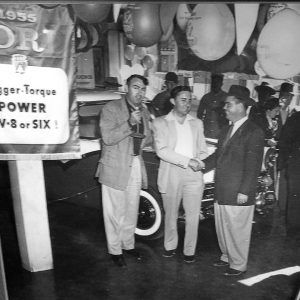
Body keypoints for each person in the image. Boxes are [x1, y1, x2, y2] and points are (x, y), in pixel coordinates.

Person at [203, 85, 265, 276]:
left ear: (241, 106)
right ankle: (226, 256)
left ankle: (238, 264)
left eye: (228, 104)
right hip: (222, 189)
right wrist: (201, 164)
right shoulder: (226, 130)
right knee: (222, 227)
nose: (225, 108)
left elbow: (253, 166)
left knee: (237, 229)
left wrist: (244, 191)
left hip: (239, 192)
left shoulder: (254, 131)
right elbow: (217, 156)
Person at [96, 74, 152, 267]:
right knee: (114, 211)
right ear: (126, 88)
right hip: (115, 165)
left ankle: (128, 245)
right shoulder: (111, 109)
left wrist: (150, 130)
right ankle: (115, 250)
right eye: (136, 87)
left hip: (136, 162)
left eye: (143, 89)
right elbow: (108, 138)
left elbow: (148, 138)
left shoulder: (144, 110)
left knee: (131, 208)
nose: (140, 92)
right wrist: (128, 122)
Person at [152, 85, 208, 263]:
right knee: (171, 214)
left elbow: (203, 150)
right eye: (183, 100)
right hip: (171, 173)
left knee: (193, 215)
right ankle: (170, 246)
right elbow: (162, 151)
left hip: (193, 174)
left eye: (190, 100)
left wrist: (199, 160)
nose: (187, 103)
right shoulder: (160, 122)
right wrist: (187, 161)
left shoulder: (197, 123)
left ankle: (189, 250)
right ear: (172, 101)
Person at [277, 111, 300, 235]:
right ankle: (294, 231)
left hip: (295, 167)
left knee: (294, 200)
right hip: (297, 167)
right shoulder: (296, 118)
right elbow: (285, 142)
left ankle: (294, 230)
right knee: (295, 200)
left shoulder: (295, 118)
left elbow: (284, 142)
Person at [197, 73, 228, 139]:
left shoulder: (226, 97)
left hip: (220, 132)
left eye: (218, 82)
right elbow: (199, 114)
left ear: (221, 84)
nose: (215, 84)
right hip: (207, 132)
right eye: (214, 82)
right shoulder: (206, 97)